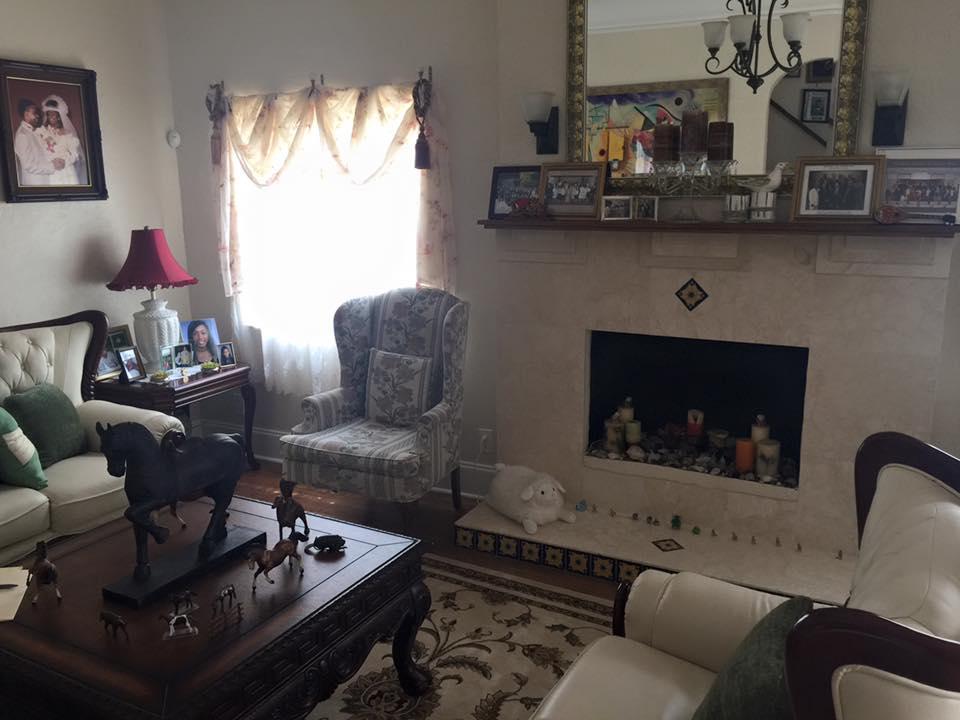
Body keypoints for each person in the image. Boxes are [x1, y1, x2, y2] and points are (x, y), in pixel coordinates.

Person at [37, 95, 86, 185]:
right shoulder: (42, 132)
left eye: (53, 114)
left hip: (66, 169)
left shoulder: (68, 133)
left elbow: (75, 154)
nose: (51, 116)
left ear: (59, 116)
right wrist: (51, 162)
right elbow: (39, 151)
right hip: (50, 170)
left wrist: (64, 162)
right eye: (49, 114)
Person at [13, 98, 62, 185]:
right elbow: (28, 165)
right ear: (26, 114)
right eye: (34, 113)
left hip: (44, 180)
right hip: (35, 183)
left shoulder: (32, 131)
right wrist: (52, 166)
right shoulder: (22, 135)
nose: (37, 116)